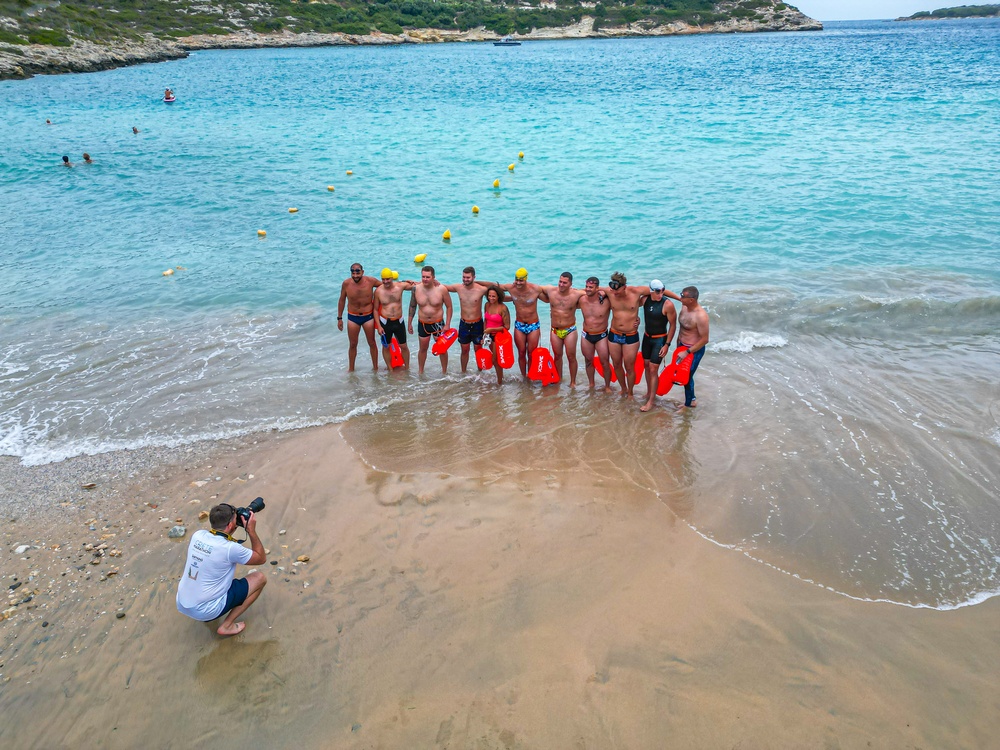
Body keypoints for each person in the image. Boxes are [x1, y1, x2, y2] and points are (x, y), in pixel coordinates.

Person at [176, 503, 267, 637]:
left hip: (182, 603)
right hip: (206, 610)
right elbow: (261, 558)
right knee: (259, 579)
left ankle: (207, 614)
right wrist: (251, 531)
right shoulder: (230, 548)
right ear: (231, 525)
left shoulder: (198, 535)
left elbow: (218, 542)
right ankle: (227, 625)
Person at [442, 266, 498, 374]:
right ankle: (463, 373)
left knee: (478, 350)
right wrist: (427, 282)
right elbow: (443, 287)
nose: (465, 279)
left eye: (468, 277)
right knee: (464, 350)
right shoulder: (459, 287)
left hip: (477, 324)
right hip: (464, 324)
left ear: (473, 277)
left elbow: (495, 287)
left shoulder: (481, 289)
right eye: (463, 277)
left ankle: (479, 373)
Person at [605, 271, 651, 399]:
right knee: (617, 364)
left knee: (629, 367)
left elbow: (657, 291)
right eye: (612, 289)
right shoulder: (610, 292)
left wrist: (678, 298)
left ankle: (630, 392)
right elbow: (588, 290)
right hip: (614, 334)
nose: (614, 292)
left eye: (617, 289)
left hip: (630, 336)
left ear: (624, 287)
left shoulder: (636, 292)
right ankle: (623, 388)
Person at [539, 272, 586, 387]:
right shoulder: (551, 290)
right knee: (557, 356)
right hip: (555, 330)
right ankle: (557, 379)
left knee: (571, 356)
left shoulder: (576, 294)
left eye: (565, 283)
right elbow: (536, 289)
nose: (561, 284)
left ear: (570, 283)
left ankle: (573, 382)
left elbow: (592, 292)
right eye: (560, 281)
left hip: (569, 329)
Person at [639, 280, 678, 413]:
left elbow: (673, 325)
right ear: (651, 291)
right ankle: (649, 392)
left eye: (662, 290)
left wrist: (667, 344)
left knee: (653, 368)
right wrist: (635, 320)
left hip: (660, 339)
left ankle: (651, 400)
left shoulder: (668, 304)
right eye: (657, 291)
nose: (660, 293)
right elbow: (630, 307)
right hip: (646, 337)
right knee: (646, 364)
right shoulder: (644, 300)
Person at [499, 268, 546, 379]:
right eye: (517, 280)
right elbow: (495, 286)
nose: (519, 283)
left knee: (531, 353)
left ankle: (531, 375)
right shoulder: (511, 288)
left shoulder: (535, 289)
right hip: (519, 325)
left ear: (526, 279)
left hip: (533, 325)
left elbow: (549, 299)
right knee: (521, 352)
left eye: (521, 280)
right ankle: (524, 376)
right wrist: (478, 284)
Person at [407, 266, 453, 374]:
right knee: (423, 349)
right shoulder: (416, 289)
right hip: (423, 324)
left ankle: (444, 372)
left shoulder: (441, 289)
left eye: (428, 277)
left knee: (442, 349)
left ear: (433, 277)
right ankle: (420, 372)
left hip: (438, 324)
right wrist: (409, 323)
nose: (425, 279)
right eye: (423, 277)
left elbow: (449, 306)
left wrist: (447, 324)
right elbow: (412, 306)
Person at [337, 263, 381, 372]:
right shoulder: (346, 284)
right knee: (352, 344)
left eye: (358, 272)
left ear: (362, 272)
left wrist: (403, 284)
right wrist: (339, 318)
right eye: (353, 273)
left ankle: (375, 368)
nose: (355, 275)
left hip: (368, 316)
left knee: (372, 342)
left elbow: (386, 285)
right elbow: (341, 300)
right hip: (353, 317)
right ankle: (351, 369)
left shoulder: (371, 281)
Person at [374, 268, 416, 370]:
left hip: (399, 321)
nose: (385, 282)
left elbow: (417, 285)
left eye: (388, 279)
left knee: (404, 346)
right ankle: (390, 369)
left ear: (392, 278)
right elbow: (375, 310)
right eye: (383, 279)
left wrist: (408, 280)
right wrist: (379, 326)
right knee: (386, 347)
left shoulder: (400, 286)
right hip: (385, 322)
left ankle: (407, 368)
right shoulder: (378, 291)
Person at [675, 286, 710, 410]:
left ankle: (688, 404)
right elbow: (683, 328)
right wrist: (678, 343)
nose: (680, 298)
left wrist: (687, 352)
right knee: (680, 374)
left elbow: (705, 339)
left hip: (693, 350)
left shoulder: (701, 316)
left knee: (687, 376)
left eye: (683, 296)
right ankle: (692, 399)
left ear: (691, 299)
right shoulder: (684, 307)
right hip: (681, 346)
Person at [578, 276, 613, 390]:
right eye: (587, 286)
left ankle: (607, 386)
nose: (587, 289)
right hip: (586, 335)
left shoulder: (607, 301)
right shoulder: (582, 299)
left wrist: (635, 319)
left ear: (597, 288)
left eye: (591, 287)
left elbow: (622, 308)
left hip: (601, 336)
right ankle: (591, 384)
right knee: (588, 361)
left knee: (605, 362)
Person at [483, 285, 510, 385]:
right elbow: (485, 320)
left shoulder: (503, 308)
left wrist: (491, 329)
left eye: (493, 296)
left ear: (498, 296)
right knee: (495, 359)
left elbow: (507, 327)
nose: (491, 298)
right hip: (488, 335)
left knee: (496, 360)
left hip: (499, 337)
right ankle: (500, 378)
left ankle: (499, 382)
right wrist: (484, 333)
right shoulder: (486, 305)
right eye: (489, 296)